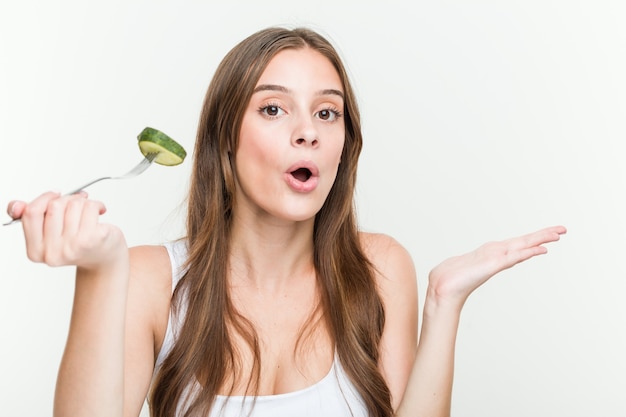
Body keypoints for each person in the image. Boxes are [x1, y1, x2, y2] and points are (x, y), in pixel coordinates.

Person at [6, 26, 566, 417]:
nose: (309, 132)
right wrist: (100, 273)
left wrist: (444, 303)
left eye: (328, 112)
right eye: (273, 109)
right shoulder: (149, 278)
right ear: (226, 137)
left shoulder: (382, 268)